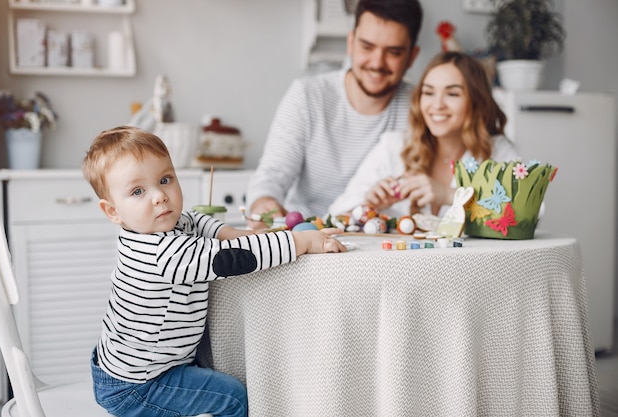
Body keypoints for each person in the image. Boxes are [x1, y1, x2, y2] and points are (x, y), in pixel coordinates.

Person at [83, 126, 345, 417]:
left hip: (135, 366)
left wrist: (245, 233)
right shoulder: (161, 255)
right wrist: (298, 242)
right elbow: (230, 259)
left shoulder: (170, 225)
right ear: (113, 212)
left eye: (165, 179)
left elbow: (201, 222)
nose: (159, 196)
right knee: (231, 399)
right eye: (138, 191)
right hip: (138, 385)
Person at [245, 0, 423, 228]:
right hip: (306, 235)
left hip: (380, 241)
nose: (377, 63)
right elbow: (272, 174)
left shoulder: (422, 107)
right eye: (367, 47)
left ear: (412, 56)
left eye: (394, 52)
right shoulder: (307, 96)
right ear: (351, 43)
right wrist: (264, 203)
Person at [328, 51, 519, 219]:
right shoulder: (394, 147)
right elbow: (335, 214)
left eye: (452, 94)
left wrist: (449, 195)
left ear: (476, 102)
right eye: (428, 93)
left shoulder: (497, 152)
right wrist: (370, 206)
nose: (437, 105)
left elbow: (525, 216)